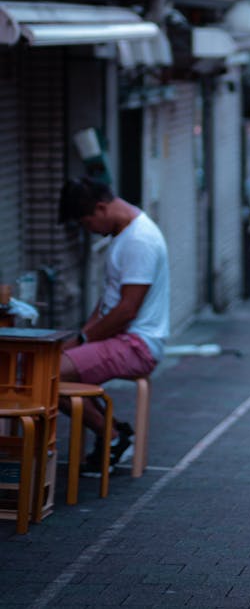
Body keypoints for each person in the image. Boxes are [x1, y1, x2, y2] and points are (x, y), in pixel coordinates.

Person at [57, 177, 170, 473]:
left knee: (50, 373)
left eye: (86, 223)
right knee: (48, 366)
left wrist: (83, 340)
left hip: (137, 344)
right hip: (121, 338)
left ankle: (114, 436)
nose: (89, 231)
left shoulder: (139, 240)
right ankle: (113, 432)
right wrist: (83, 336)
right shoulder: (124, 235)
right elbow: (108, 303)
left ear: (101, 208)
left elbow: (126, 310)